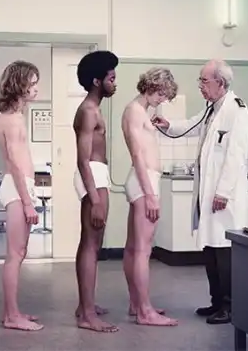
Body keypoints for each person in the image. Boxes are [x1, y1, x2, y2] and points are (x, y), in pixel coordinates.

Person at [153, 59, 248, 325]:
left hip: (223, 196)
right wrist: (167, 125)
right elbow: (192, 125)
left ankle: (229, 307)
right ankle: (216, 302)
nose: (200, 85)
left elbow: (236, 155)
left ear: (221, 82)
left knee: (224, 250)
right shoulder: (213, 108)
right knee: (209, 248)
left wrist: (223, 192)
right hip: (207, 194)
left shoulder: (237, 110)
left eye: (204, 81)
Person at [121, 67, 179, 326]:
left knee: (134, 248)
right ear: (152, 86)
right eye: (162, 94)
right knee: (143, 251)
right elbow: (137, 154)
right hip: (144, 181)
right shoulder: (135, 110)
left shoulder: (138, 110)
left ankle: (137, 304)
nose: (163, 99)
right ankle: (145, 312)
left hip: (141, 179)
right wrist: (150, 194)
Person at [72, 50, 119, 333]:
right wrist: (96, 198)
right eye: (111, 78)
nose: (115, 83)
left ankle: (85, 306)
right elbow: (82, 160)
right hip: (92, 175)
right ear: (97, 81)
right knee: (91, 245)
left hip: (96, 174)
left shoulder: (94, 109)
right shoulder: (88, 111)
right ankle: (88, 316)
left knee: (90, 244)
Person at [0, 60, 43, 331]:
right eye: (32, 83)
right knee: (15, 254)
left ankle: (10, 311)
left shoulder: (13, 117)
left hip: (20, 186)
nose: (36, 88)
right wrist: (27, 203)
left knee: (19, 253)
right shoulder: (12, 120)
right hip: (17, 188)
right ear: (19, 84)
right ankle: (12, 317)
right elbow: (14, 163)